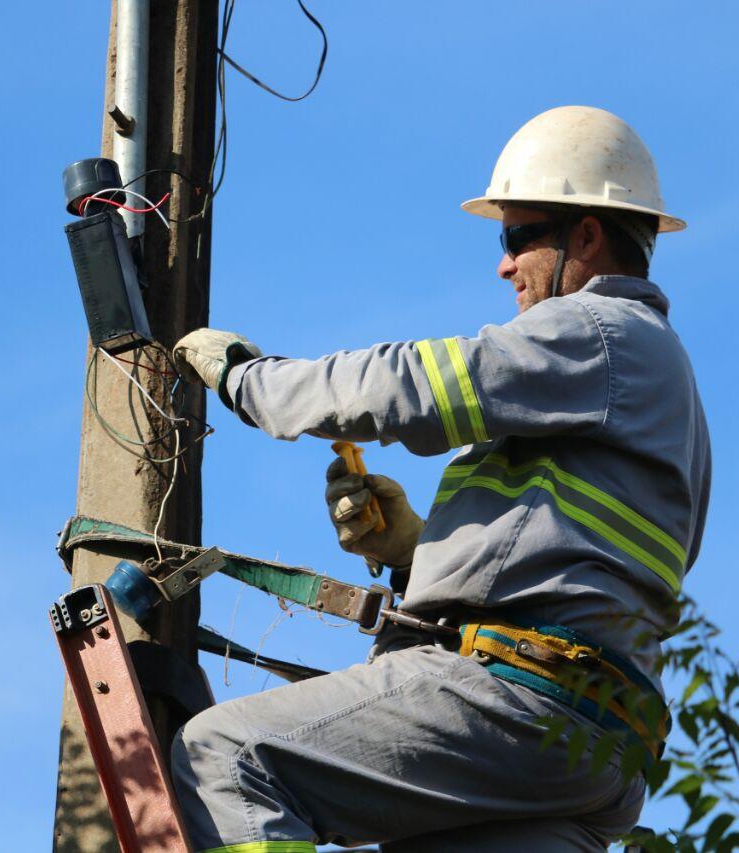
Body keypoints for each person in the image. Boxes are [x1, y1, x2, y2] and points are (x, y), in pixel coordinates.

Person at [169, 105, 711, 852]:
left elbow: (418, 386)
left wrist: (251, 381)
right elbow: (581, 564)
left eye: (518, 236)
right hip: (594, 748)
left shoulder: (601, 333)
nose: (504, 263)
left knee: (228, 755)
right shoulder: (666, 398)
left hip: (520, 700)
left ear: (586, 234)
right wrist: (414, 553)